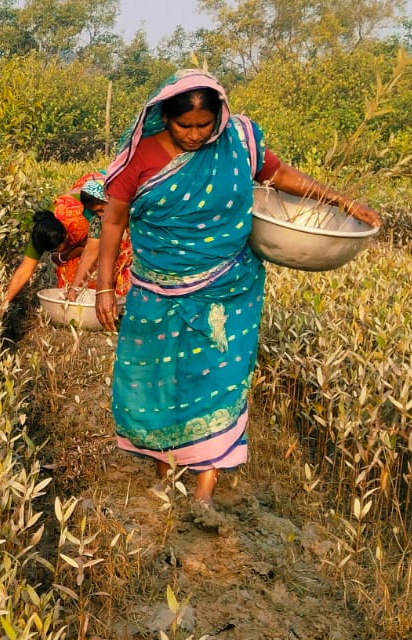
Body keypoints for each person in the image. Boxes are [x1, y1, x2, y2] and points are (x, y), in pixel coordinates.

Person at [94, 70, 378, 519]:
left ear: (219, 116)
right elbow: (112, 222)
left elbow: (280, 174)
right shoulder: (141, 160)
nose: (194, 134)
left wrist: (340, 201)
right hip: (157, 291)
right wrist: (106, 288)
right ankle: (164, 473)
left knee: (219, 379)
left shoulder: (239, 141)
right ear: (163, 118)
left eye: (203, 124)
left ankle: (205, 489)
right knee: (156, 381)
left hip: (229, 288)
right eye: (183, 125)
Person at [2, 176, 132, 309]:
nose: (99, 215)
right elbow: (90, 251)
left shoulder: (86, 214)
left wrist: (64, 256)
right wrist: (3, 304)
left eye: (58, 248)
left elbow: (98, 247)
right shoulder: (43, 231)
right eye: (53, 251)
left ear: (66, 235)